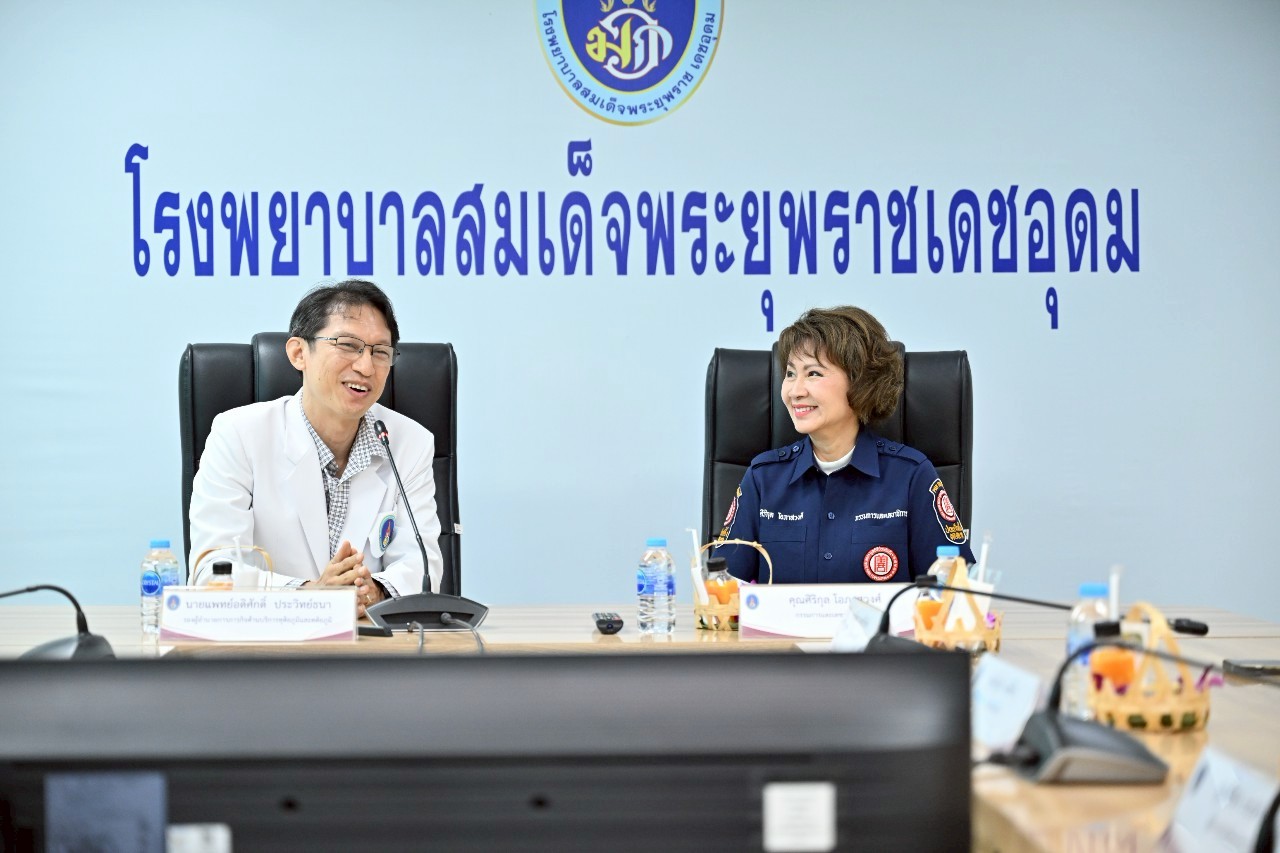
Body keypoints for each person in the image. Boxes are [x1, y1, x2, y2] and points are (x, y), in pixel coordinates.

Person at [188, 280, 442, 614]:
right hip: (269, 639)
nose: (366, 367)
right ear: (298, 353)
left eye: (380, 352)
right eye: (348, 345)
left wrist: (375, 592)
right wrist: (311, 594)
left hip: (369, 638)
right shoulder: (238, 434)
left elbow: (422, 567)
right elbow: (212, 574)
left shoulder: (409, 442)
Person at [714, 306, 975, 584]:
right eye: (790, 374)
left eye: (813, 373)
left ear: (860, 382)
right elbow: (722, 588)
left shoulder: (912, 475)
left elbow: (954, 589)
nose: (795, 391)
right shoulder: (763, 478)